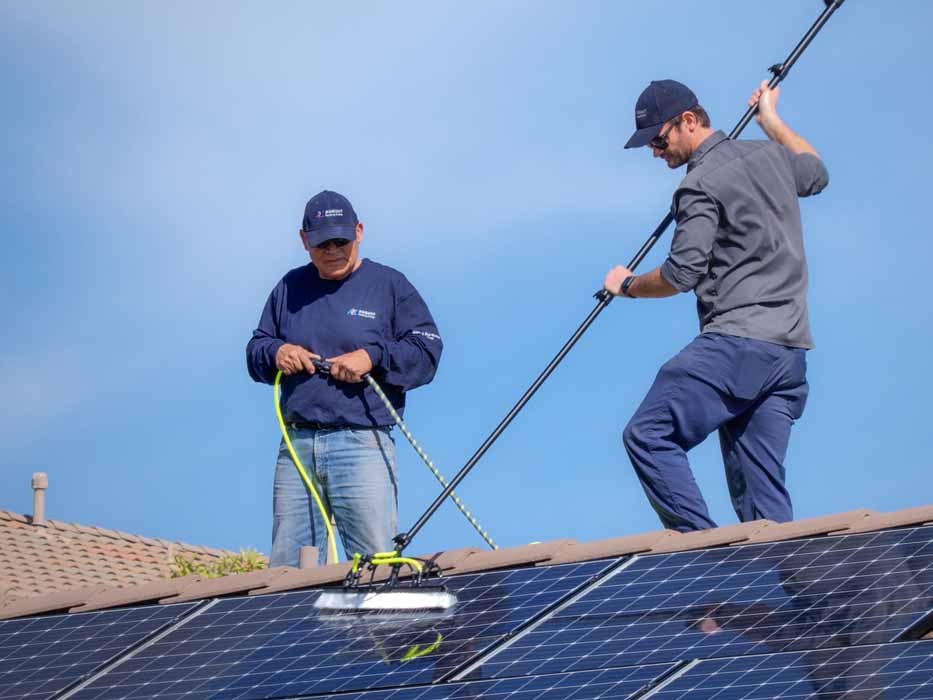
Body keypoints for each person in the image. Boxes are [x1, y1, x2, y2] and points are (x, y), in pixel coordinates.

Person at [604, 79, 829, 532]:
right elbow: (816, 173)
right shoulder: (771, 156)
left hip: (736, 347)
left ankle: (704, 561)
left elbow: (681, 274)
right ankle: (789, 596)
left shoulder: (698, 184)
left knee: (647, 435)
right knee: (763, 509)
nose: (655, 152)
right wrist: (772, 123)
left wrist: (627, 285)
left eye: (658, 139)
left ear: (688, 120)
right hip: (787, 359)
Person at [247, 190, 443, 566]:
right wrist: (277, 352)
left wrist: (372, 356)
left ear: (359, 231)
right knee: (289, 567)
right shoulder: (289, 288)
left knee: (373, 564)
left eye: (342, 240)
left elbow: (427, 352)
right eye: (322, 243)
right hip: (298, 444)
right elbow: (256, 349)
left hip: (361, 442)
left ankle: (375, 626)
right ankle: (299, 624)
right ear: (304, 239)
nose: (334, 250)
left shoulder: (390, 285)